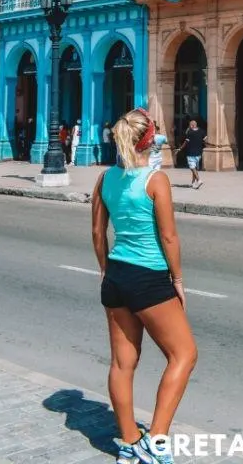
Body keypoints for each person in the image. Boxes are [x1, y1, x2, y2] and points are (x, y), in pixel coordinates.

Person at [91, 107, 198, 464]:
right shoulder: (156, 181)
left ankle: (128, 442)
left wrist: (106, 269)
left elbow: (97, 232)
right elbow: (168, 236)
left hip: (117, 276)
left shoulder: (105, 179)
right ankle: (157, 439)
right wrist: (178, 280)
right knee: (184, 354)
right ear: (148, 139)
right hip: (149, 278)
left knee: (123, 364)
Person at [178, 119, 206, 189]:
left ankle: (199, 180)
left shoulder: (189, 132)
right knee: (195, 168)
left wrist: (180, 149)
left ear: (191, 125)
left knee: (192, 168)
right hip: (199, 153)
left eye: (190, 125)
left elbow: (186, 142)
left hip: (190, 153)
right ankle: (193, 183)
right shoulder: (202, 131)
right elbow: (205, 141)